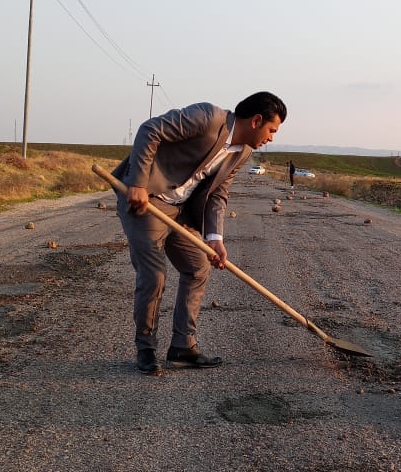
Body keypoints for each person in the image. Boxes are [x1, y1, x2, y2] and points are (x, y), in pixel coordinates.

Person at [112, 92, 286, 376]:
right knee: (154, 276)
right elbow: (150, 129)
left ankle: (183, 347)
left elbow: (218, 193)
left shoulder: (242, 152)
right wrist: (138, 182)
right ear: (256, 121)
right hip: (147, 201)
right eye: (272, 130)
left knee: (198, 266)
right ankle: (146, 349)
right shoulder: (208, 118)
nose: (271, 138)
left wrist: (214, 239)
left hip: (179, 210)